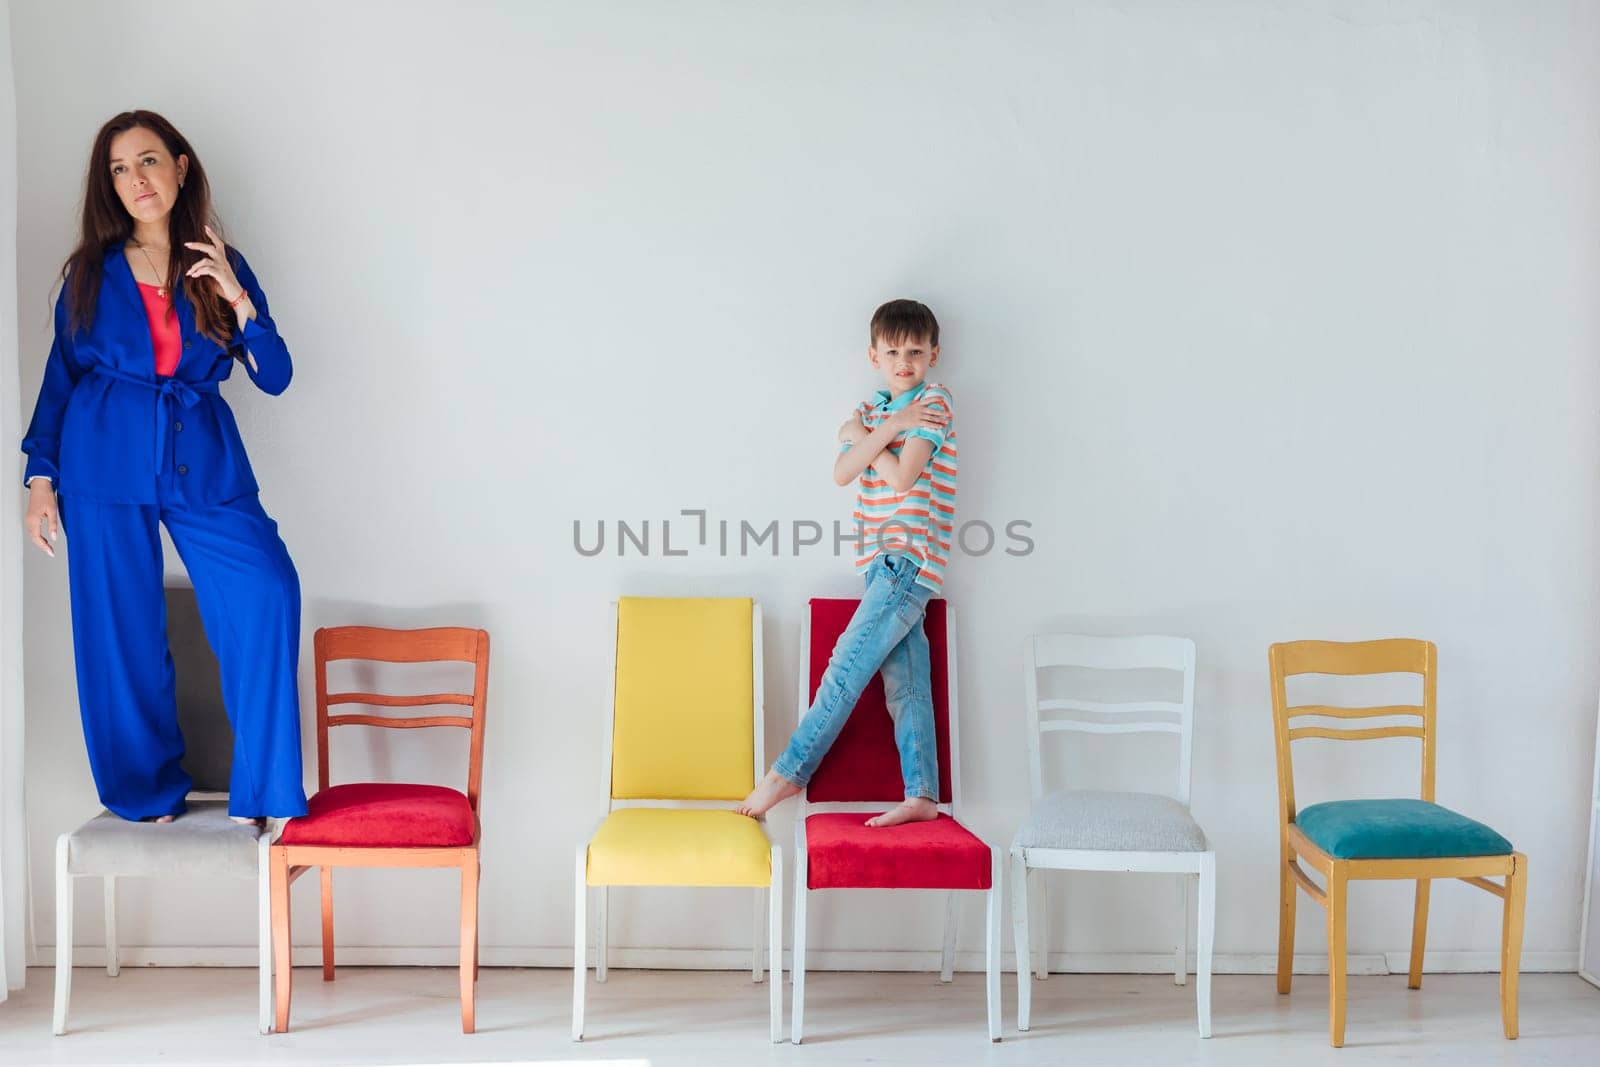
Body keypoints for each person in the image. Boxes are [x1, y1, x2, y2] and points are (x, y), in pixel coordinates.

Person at [20, 110, 308, 824]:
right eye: (119, 169)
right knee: (120, 628)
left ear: (181, 167)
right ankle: (147, 792)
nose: (135, 180)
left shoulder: (222, 264)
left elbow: (275, 375)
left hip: (200, 454)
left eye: (148, 161)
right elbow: (62, 378)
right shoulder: (90, 272)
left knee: (268, 587)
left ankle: (264, 791)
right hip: (102, 456)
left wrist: (238, 300)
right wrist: (39, 480)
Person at [738, 299, 957, 827]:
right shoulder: (877, 410)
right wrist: (882, 428)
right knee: (905, 684)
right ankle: (923, 795)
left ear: (933, 354)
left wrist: (871, 435)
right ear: (873, 355)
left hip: (906, 559)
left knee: (844, 668)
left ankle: (788, 772)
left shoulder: (934, 401)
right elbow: (842, 473)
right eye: (892, 351)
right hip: (882, 561)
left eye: (914, 351)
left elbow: (903, 478)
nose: (903, 360)